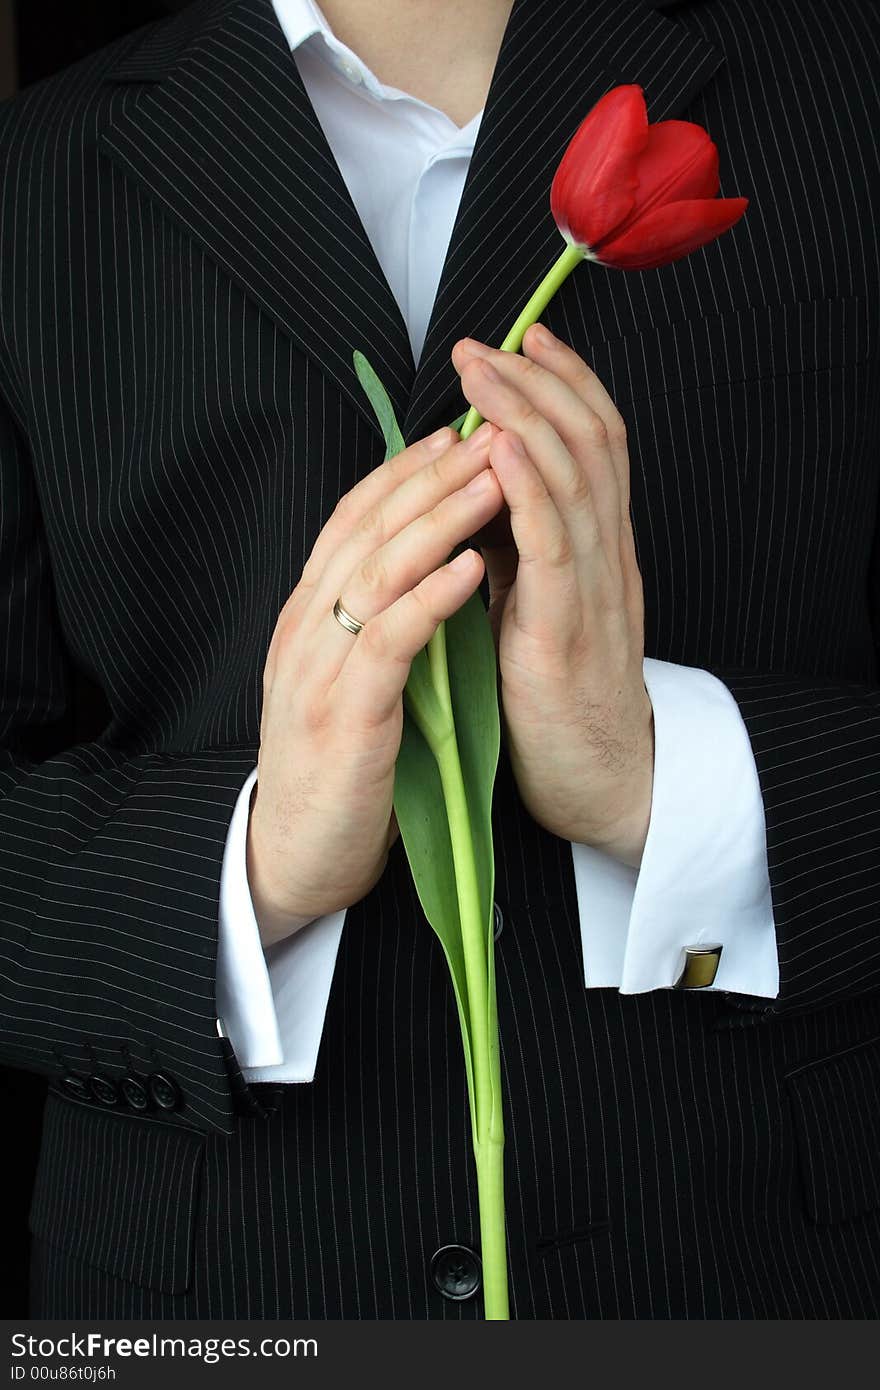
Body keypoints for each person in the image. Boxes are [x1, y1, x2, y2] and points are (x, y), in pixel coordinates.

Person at [1, 0, 878, 1320]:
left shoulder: (845, 83)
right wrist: (260, 860)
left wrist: (666, 785)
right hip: (212, 1306)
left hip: (757, 1276)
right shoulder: (36, 172)